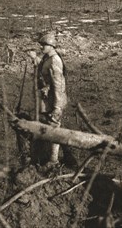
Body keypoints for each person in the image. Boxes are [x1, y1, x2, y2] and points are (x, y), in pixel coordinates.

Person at [35, 33, 78, 166]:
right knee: (50, 126)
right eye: (41, 45)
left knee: (54, 128)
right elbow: (44, 70)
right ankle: (62, 156)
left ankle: (54, 159)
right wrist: (35, 59)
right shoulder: (48, 58)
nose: (41, 47)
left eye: (44, 45)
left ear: (51, 46)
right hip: (48, 99)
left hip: (54, 100)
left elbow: (58, 85)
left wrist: (57, 106)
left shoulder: (54, 60)